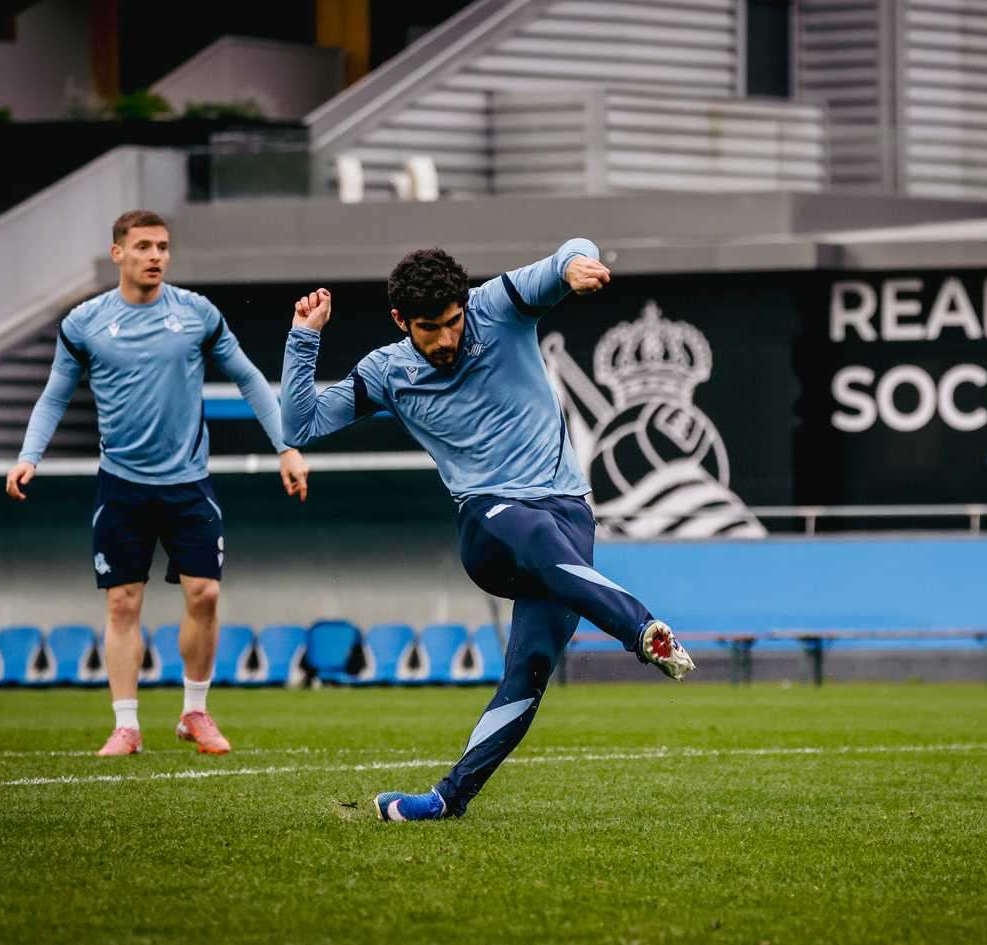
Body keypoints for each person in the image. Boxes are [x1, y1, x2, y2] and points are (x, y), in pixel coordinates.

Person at [279, 241, 696, 821]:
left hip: (568, 519)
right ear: (401, 321)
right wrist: (303, 338)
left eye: (453, 322)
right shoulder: (387, 372)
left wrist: (577, 264)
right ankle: (641, 628)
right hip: (490, 527)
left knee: (528, 673)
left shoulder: (498, 304)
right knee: (530, 529)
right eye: (429, 329)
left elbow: (565, 255)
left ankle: (447, 799)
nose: (446, 339)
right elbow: (299, 424)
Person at [7, 209, 310, 757]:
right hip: (121, 485)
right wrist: (30, 455)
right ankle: (126, 725)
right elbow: (54, 395)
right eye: (144, 246)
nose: (155, 256)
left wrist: (286, 448)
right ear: (118, 253)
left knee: (205, 594)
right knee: (123, 604)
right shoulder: (84, 323)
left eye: (163, 247)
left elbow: (248, 378)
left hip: (188, 482)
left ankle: (195, 712)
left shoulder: (197, 314)